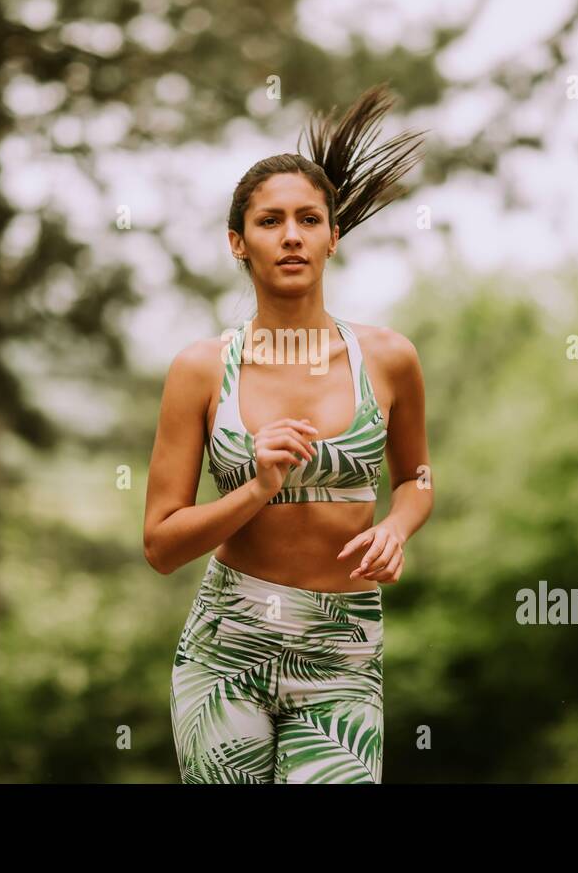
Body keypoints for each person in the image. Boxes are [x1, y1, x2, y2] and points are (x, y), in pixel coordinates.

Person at [142, 83, 433, 783]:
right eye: (271, 221)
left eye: (309, 218)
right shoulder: (201, 371)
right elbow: (159, 545)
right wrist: (257, 489)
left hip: (344, 645)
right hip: (229, 645)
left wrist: (398, 529)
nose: (293, 235)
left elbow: (415, 480)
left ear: (334, 234)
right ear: (239, 242)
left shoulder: (389, 358)